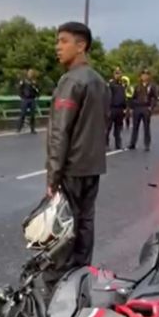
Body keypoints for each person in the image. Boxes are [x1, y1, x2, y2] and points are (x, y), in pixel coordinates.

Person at [45, 21, 109, 284]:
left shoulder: (71, 81)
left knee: (65, 223)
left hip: (71, 166)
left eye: (63, 41)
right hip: (92, 164)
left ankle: (61, 276)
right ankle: (83, 271)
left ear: (81, 45)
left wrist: (53, 174)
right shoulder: (99, 81)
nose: (57, 47)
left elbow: (61, 131)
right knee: (85, 220)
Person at [128, 69, 157, 151]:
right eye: (143, 75)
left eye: (146, 75)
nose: (144, 76)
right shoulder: (137, 86)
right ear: (141, 76)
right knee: (135, 127)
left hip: (145, 107)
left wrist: (151, 107)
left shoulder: (151, 86)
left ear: (148, 76)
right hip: (137, 108)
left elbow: (154, 98)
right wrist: (132, 107)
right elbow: (132, 97)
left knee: (146, 127)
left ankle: (147, 144)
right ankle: (132, 143)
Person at [107, 67, 127, 149]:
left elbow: (123, 97)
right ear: (114, 74)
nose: (118, 75)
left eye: (119, 73)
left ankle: (118, 144)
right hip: (112, 108)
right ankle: (106, 143)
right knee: (108, 127)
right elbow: (107, 96)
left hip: (120, 109)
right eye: (116, 73)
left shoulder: (122, 85)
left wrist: (125, 108)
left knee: (118, 128)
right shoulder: (111, 84)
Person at [16, 69, 40, 134]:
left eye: (32, 73)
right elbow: (19, 88)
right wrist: (21, 96)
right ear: (27, 74)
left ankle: (32, 129)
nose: (30, 74)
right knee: (23, 114)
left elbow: (38, 90)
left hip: (32, 99)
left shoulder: (35, 81)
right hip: (25, 99)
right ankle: (19, 128)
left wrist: (37, 96)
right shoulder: (24, 81)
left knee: (32, 115)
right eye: (29, 73)